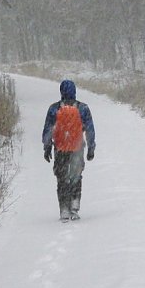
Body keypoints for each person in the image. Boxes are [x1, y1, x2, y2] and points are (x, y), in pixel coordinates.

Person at [42, 80, 96, 221]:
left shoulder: (54, 109)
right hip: (77, 147)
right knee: (76, 175)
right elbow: (89, 129)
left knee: (62, 178)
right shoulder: (83, 108)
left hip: (60, 148)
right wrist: (91, 147)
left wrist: (47, 147)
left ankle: (64, 209)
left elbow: (48, 130)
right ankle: (74, 204)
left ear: (61, 92)